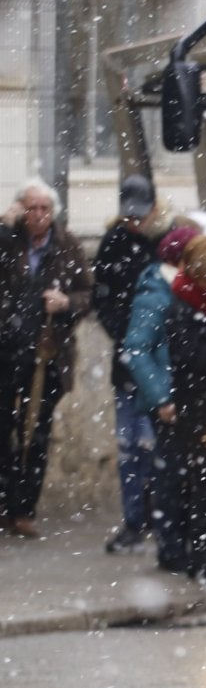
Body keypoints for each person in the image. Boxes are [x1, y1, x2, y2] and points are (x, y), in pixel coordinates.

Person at [124, 228, 206, 583]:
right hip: (182, 404)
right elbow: (142, 350)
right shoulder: (172, 302)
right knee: (180, 479)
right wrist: (162, 398)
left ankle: (192, 549)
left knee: (196, 480)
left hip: (201, 402)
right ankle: (181, 549)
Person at [0, 180, 93, 538]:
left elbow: (88, 293)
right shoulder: (9, 240)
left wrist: (67, 303)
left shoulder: (67, 245)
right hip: (7, 350)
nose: (38, 215)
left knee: (36, 433)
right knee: (4, 429)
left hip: (47, 354)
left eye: (45, 209)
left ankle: (25, 509)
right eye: (31, 208)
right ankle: (6, 503)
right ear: (20, 210)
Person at [92, 175, 171, 554]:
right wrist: (126, 336)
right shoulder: (114, 242)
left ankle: (161, 517)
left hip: (160, 359)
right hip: (130, 360)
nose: (135, 222)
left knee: (157, 446)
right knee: (130, 447)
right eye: (130, 217)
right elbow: (102, 299)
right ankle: (135, 519)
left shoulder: (168, 241)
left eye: (140, 216)